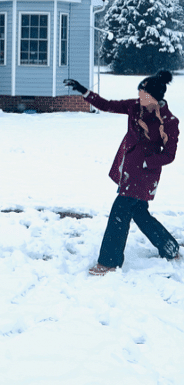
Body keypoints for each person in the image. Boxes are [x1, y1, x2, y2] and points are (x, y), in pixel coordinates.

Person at [64, 71, 180, 276]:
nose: (140, 97)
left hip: (146, 174)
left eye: (144, 94)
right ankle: (169, 246)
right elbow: (107, 105)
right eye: (140, 93)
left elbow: (169, 155)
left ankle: (109, 261)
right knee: (139, 212)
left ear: (155, 97)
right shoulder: (134, 107)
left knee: (119, 212)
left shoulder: (168, 121)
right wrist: (84, 91)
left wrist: (147, 162)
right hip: (129, 170)